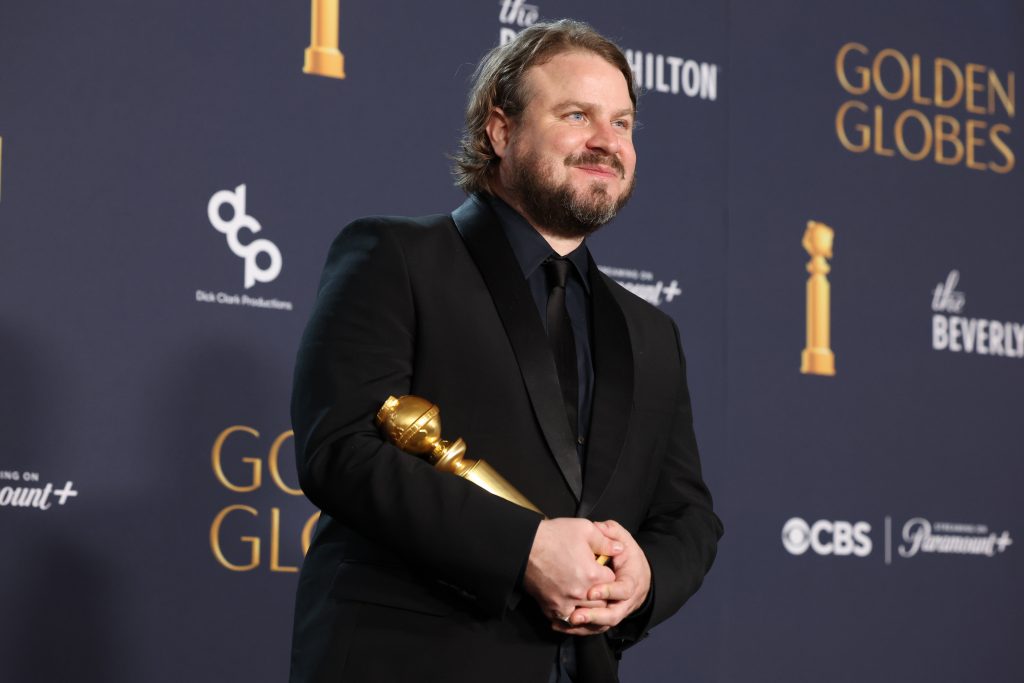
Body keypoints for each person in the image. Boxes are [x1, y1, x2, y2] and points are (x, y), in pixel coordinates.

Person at [289, 19, 722, 683]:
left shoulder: (651, 333)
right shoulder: (395, 257)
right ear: (500, 129)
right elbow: (340, 450)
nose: (607, 141)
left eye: (623, 123)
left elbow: (687, 514)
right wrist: (524, 549)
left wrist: (645, 577)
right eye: (577, 115)